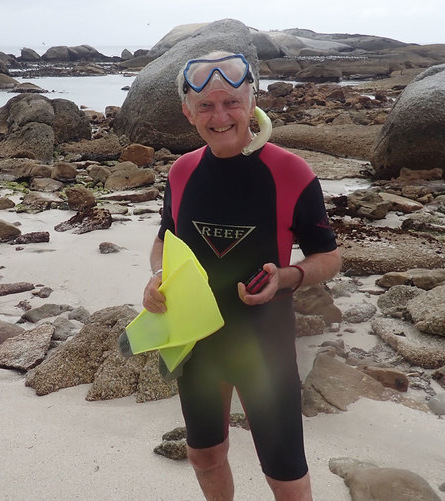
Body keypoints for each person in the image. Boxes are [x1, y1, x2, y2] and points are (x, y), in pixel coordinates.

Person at [141, 51, 341, 501]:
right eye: (206, 105)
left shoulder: (291, 171)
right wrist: (158, 277)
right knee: (204, 455)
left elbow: (328, 257)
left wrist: (286, 277)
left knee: (284, 475)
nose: (220, 116)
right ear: (187, 112)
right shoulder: (182, 171)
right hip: (198, 344)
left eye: (231, 102)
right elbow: (164, 242)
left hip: (264, 346)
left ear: (252, 103)